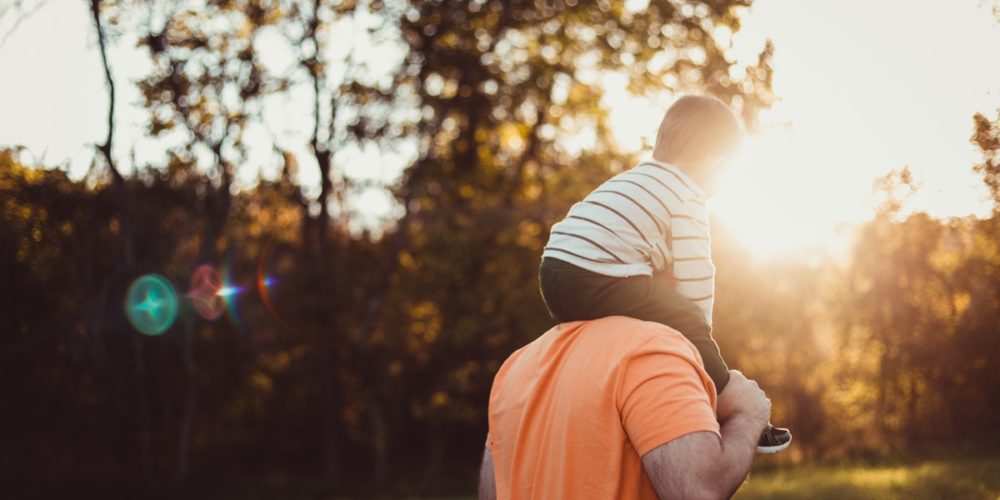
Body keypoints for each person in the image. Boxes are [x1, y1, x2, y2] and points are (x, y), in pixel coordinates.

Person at [537, 94, 790, 452]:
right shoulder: (687, 194)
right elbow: (697, 275)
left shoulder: (638, 179)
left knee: (652, 305)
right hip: (595, 274)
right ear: (718, 164)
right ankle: (728, 404)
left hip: (554, 271)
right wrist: (697, 334)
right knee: (682, 314)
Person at [479, 316, 771, 499]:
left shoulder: (516, 365)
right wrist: (748, 415)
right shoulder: (648, 348)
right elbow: (699, 490)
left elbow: (492, 494)